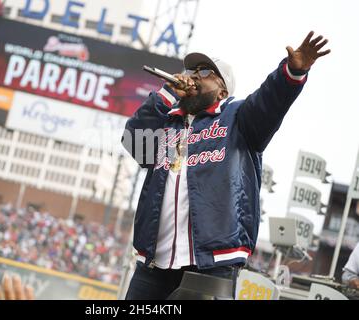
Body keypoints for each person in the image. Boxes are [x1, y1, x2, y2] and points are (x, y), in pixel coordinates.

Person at [121, 31, 330, 299]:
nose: (194, 75)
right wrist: (165, 94)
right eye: (191, 70)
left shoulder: (238, 117)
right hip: (154, 264)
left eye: (205, 71)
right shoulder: (167, 122)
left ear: (222, 89)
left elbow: (269, 101)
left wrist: (291, 73)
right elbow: (135, 145)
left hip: (211, 264)